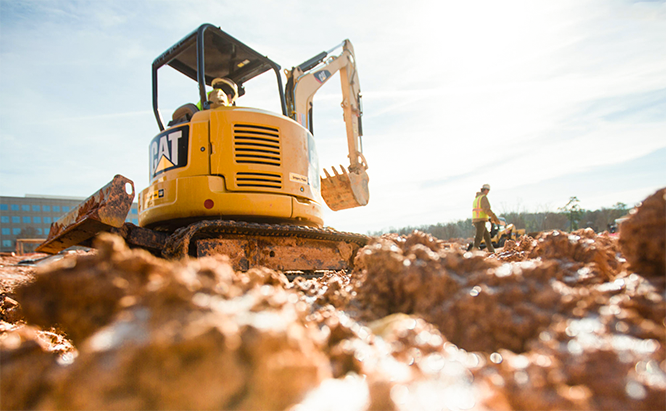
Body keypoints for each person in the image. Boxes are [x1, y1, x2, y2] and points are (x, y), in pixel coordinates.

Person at [472, 184, 500, 252]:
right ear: (486, 190)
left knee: (487, 237)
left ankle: (492, 251)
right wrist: (493, 216)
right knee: (479, 237)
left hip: (476, 219)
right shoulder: (483, 197)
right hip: (480, 220)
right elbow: (486, 209)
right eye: (488, 190)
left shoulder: (477, 198)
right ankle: (474, 251)